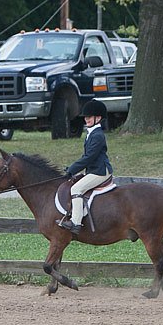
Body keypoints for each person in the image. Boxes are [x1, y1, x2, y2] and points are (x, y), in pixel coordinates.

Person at [57, 100, 113, 235]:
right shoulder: (91, 133)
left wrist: (72, 169)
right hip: (94, 170)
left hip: (100, 172)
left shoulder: (98, 135)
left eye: (89, 117)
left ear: (98, 118)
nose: (86, 119)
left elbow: (89, 157)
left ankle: (76, 223)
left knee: (76, 189)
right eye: (86, 117)